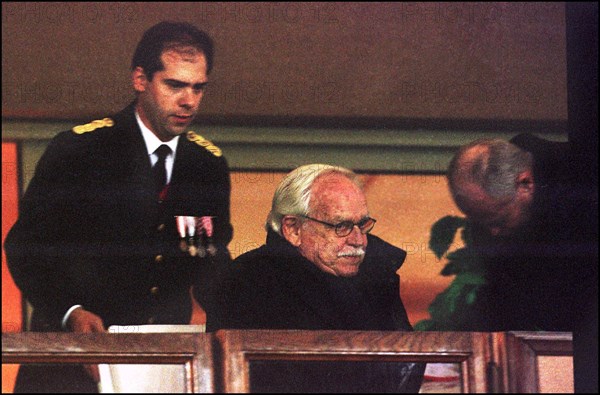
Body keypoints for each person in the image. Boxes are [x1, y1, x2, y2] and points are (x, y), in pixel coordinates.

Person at [4, 21, 233, 393]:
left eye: (198, 87)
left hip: (164, 363)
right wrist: (70, 311)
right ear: (140, 79)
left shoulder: (207, 164)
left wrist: (204, 303)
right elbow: (27, 250)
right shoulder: (80, 151)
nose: (189, 101)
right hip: (73, 363)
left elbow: (209, 252)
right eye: (174, 85)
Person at [211, 164, 425, 393]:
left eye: (362, 225)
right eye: (341, 226)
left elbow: (405, 366)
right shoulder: (247, 281)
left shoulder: (376, 277)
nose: (359, 241)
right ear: (293, 229)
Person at [445, 134, 597, 390]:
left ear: (526, 183)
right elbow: (500, 297)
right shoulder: (502, 199)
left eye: (498, 221)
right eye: (481, 222)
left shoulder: (584, 189)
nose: (492, 233)